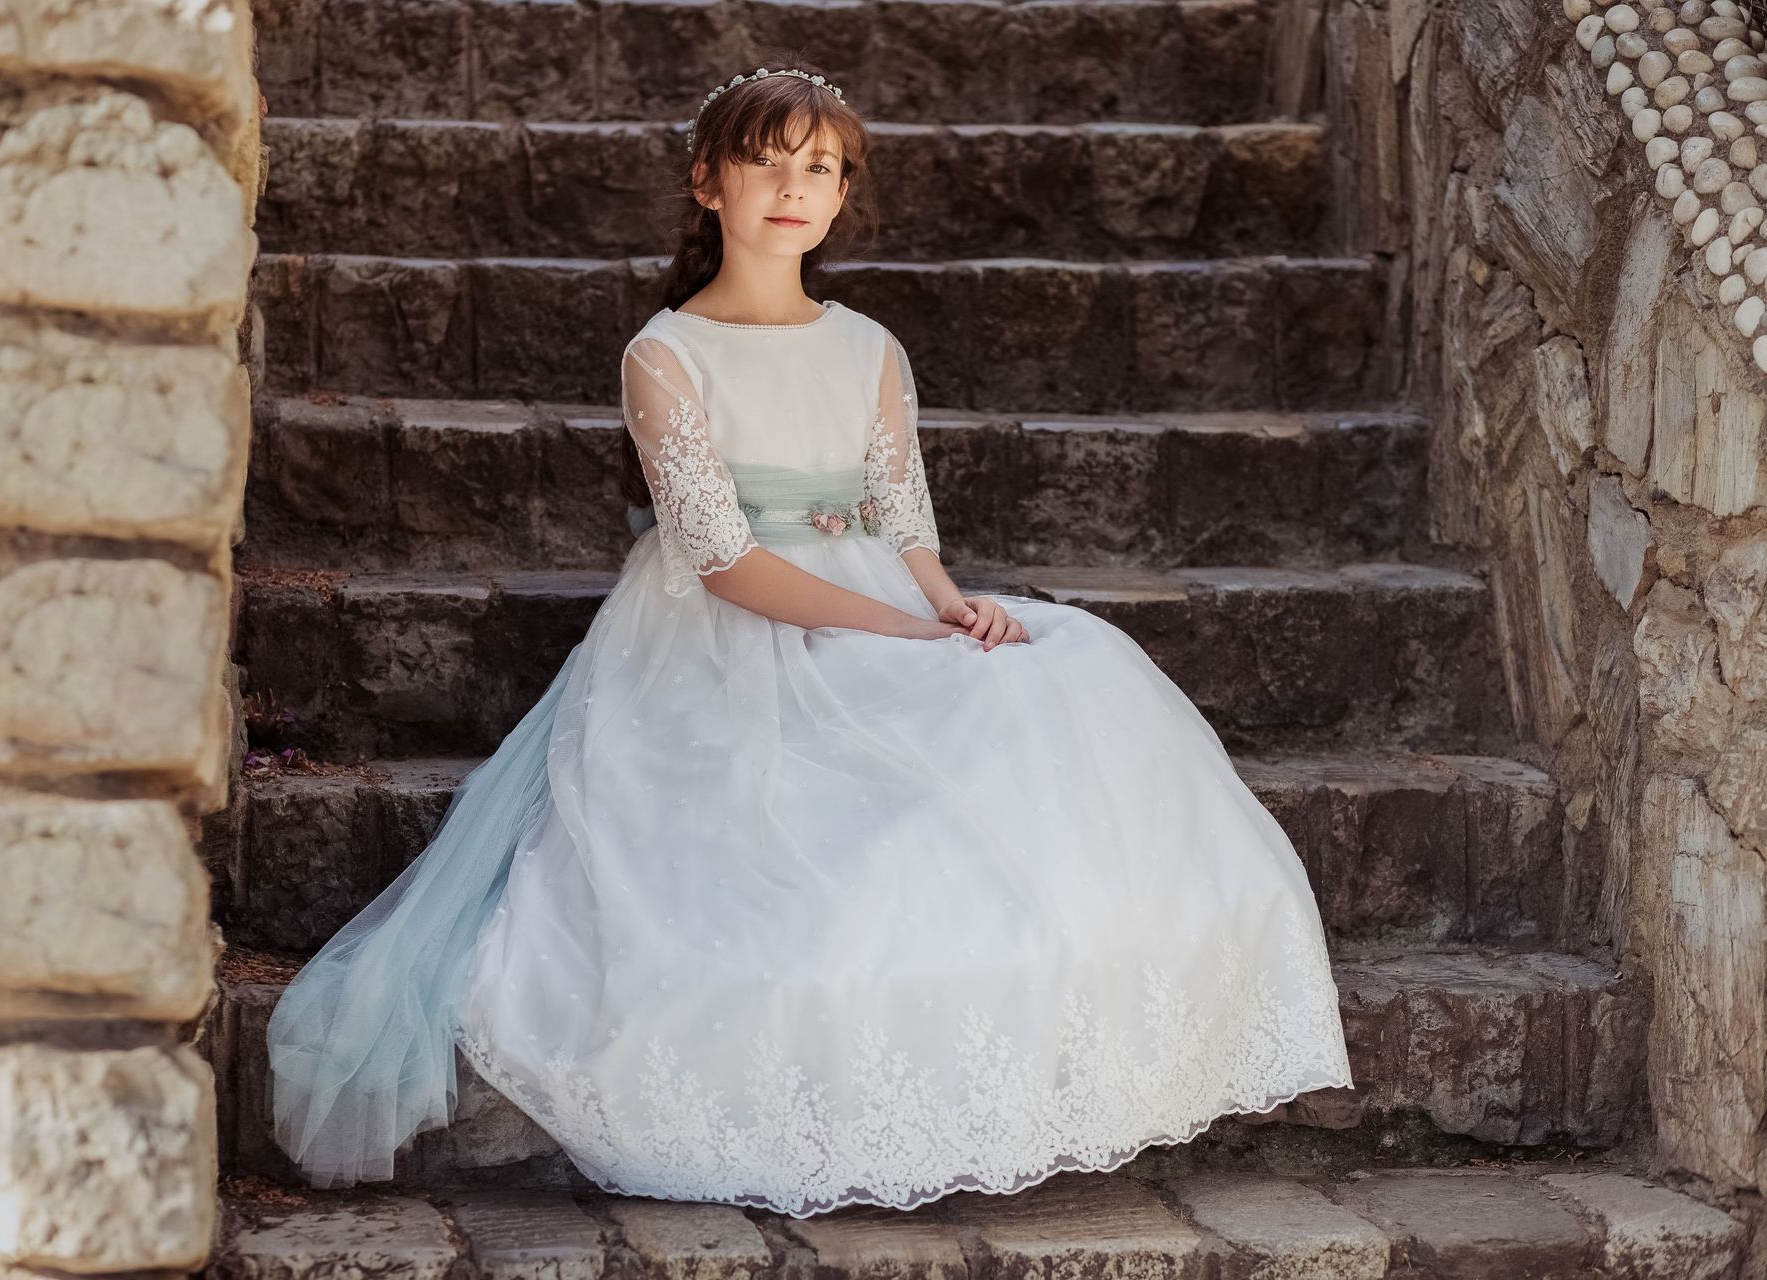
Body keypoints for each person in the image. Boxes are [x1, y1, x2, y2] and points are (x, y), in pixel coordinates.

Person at [266, 54, 1353, 1218]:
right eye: (768, 161)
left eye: (823, 168)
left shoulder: (871, 345)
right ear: (707, 180)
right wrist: (887, 624)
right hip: (727, 626)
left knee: (1070, 668)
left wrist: (944, 605)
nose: (796, 187)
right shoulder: (666, 355)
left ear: (843, 197)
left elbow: (902, 512)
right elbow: (726, 561)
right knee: (801, 823)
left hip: (881, 594)